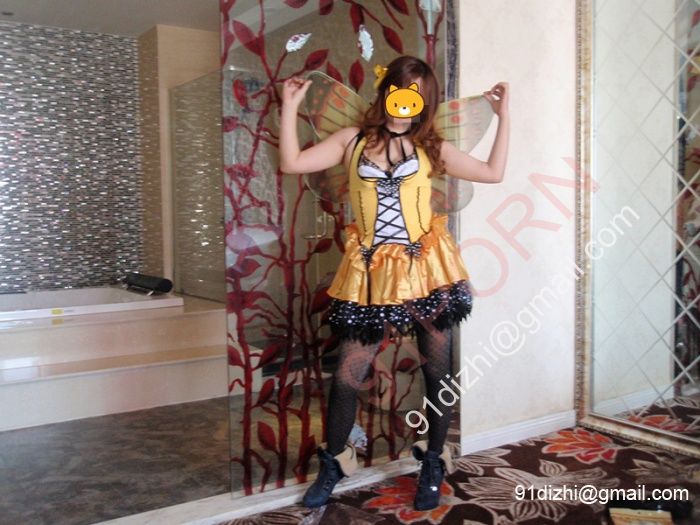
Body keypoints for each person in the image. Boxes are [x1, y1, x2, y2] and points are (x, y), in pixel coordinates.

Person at [279, 55, 509, 511]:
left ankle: (433, 462)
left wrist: (504, 118)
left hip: (428, 270)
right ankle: (335, 462)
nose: (407, 100)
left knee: (436, 371)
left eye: (417, 93)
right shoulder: (352, 140)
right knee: (348, 376)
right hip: (370, 272)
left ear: (425, 100)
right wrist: (289, 108)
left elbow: (492, 172)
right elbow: (292, 163)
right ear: (387, 90)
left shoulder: (432, 146)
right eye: (402, 88)